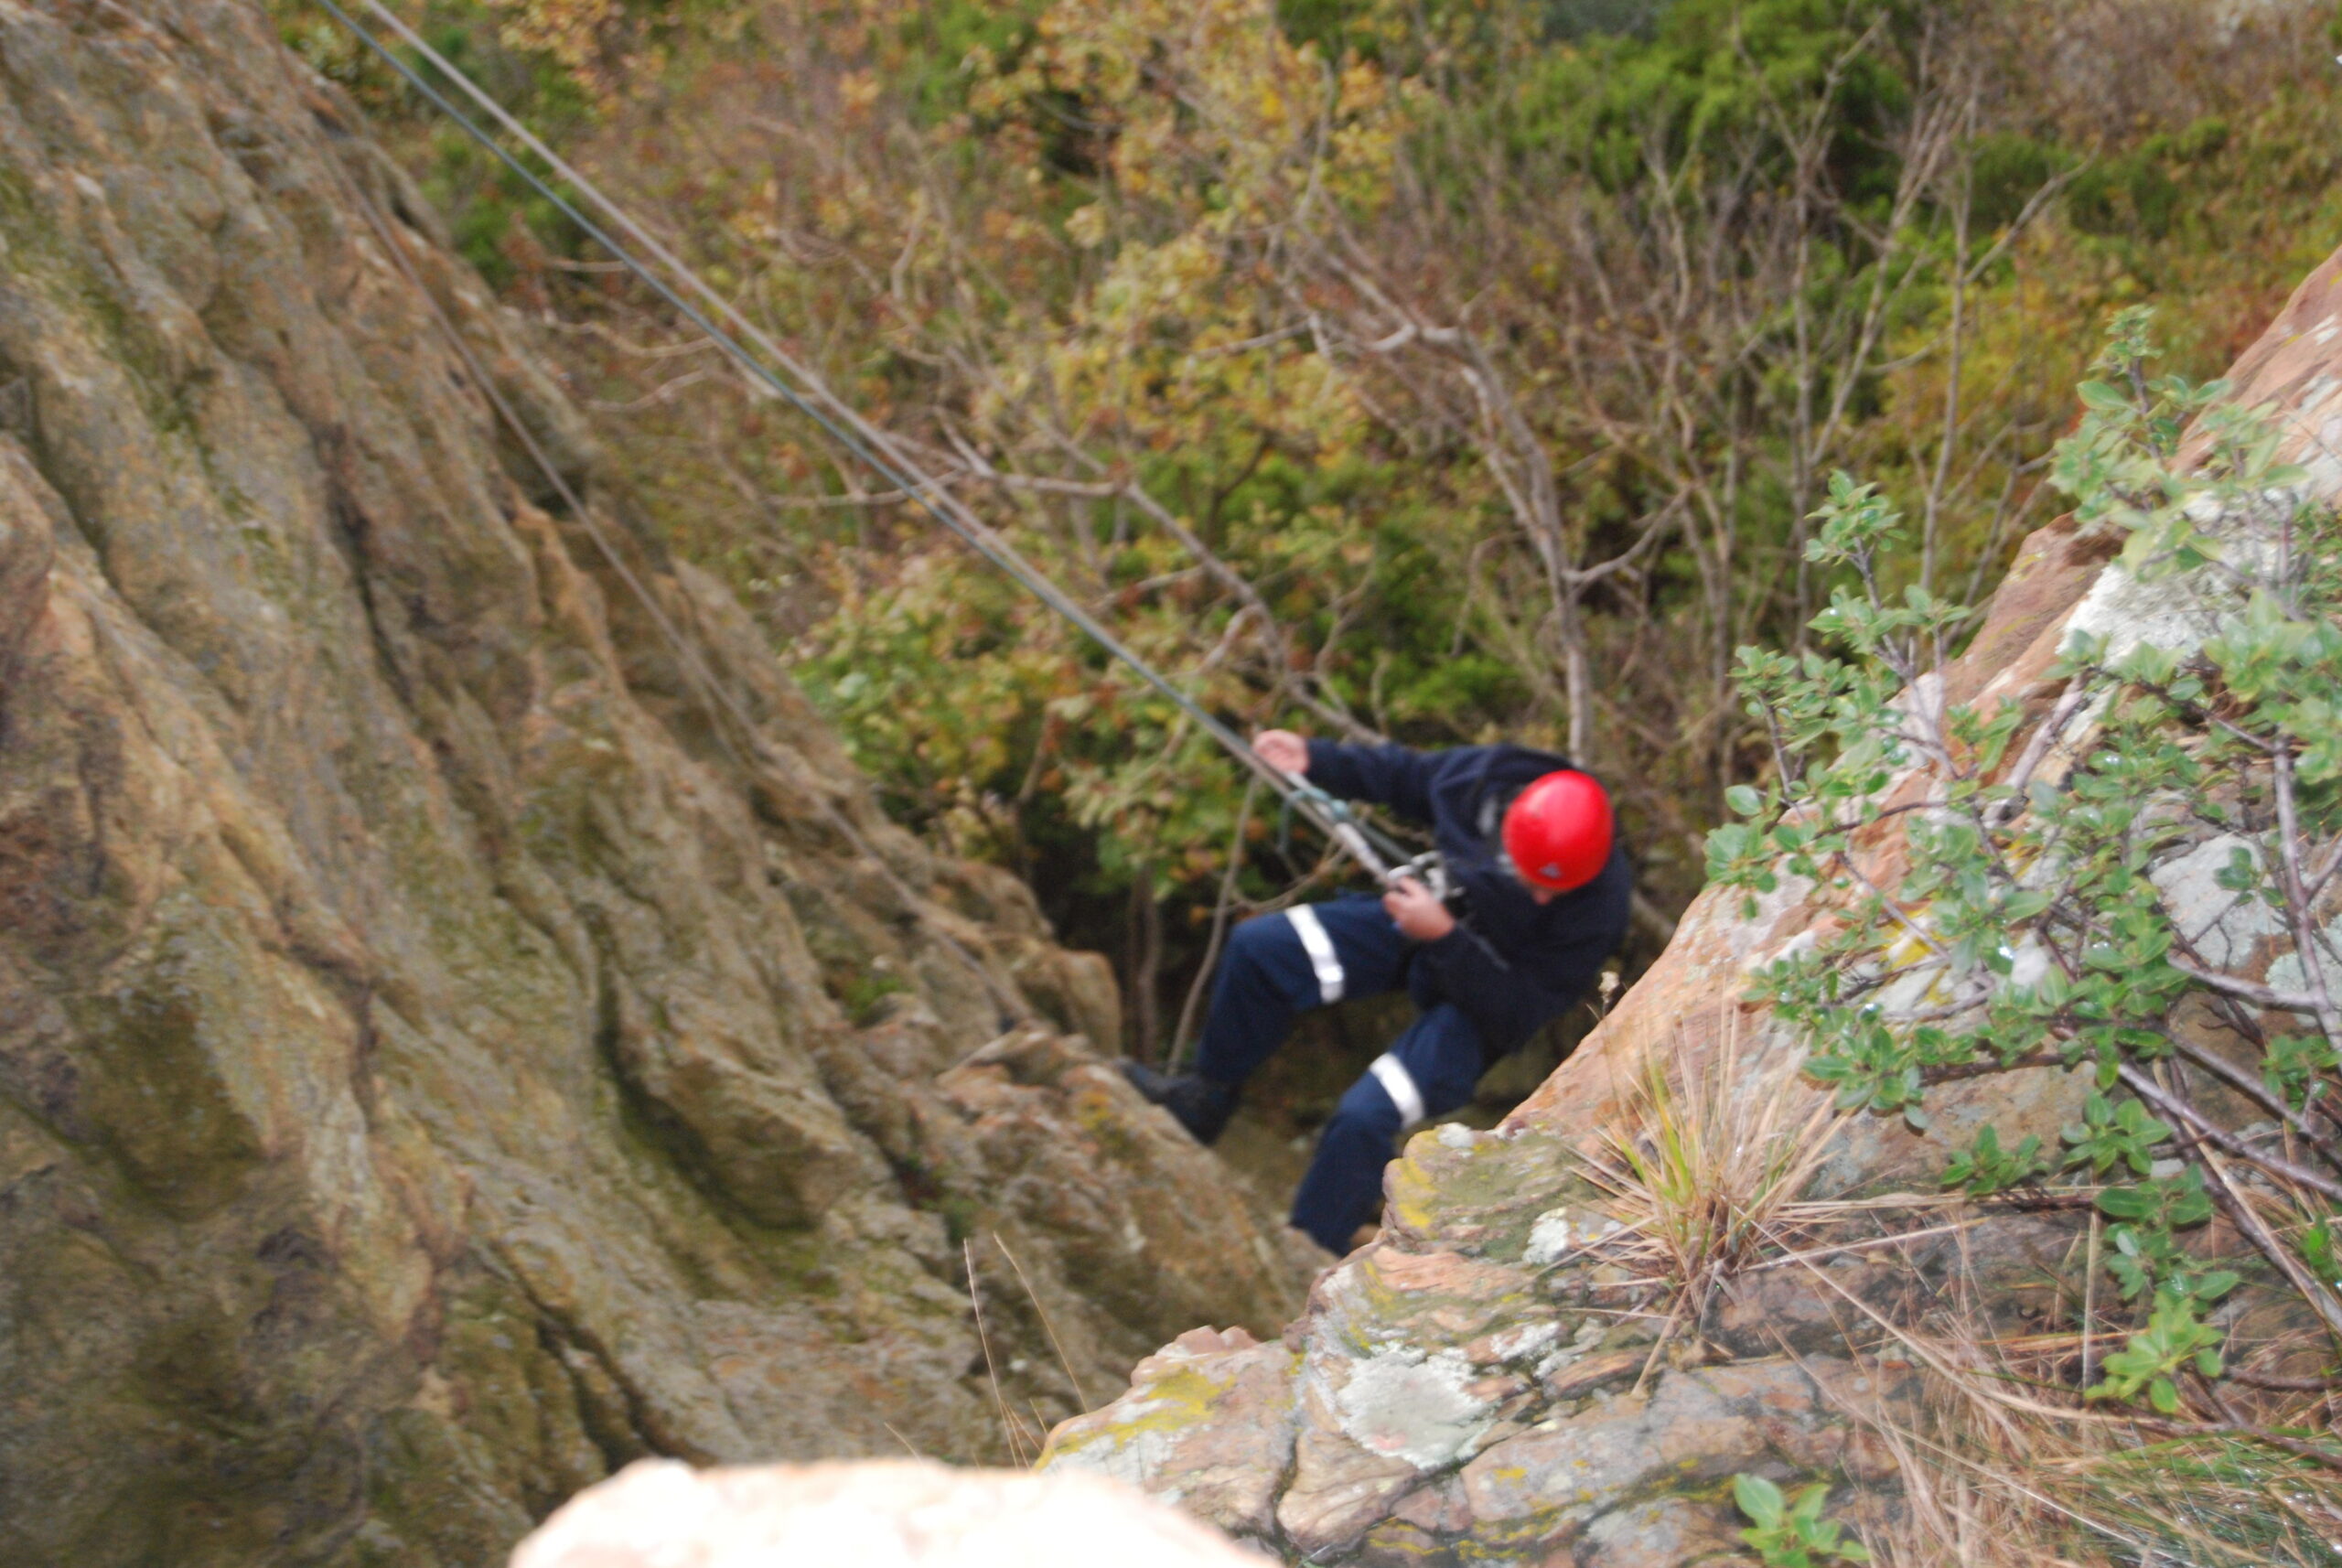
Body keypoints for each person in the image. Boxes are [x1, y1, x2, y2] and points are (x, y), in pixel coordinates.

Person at [1123, 730, 1632, 1254]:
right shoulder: (1486, 781)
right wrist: (1316, 759)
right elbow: (1406, 776)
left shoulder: (1599, 909)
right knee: (1260, 949)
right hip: (1432, 922)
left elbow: (1520, 1010)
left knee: (1362, 1118)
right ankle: (1202, 1102)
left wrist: (1446, 939)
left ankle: (1306, 1253)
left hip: (1480, 1002)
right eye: (1534, 883)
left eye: (1557, 889)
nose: (1545, 899)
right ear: (1508, 831)